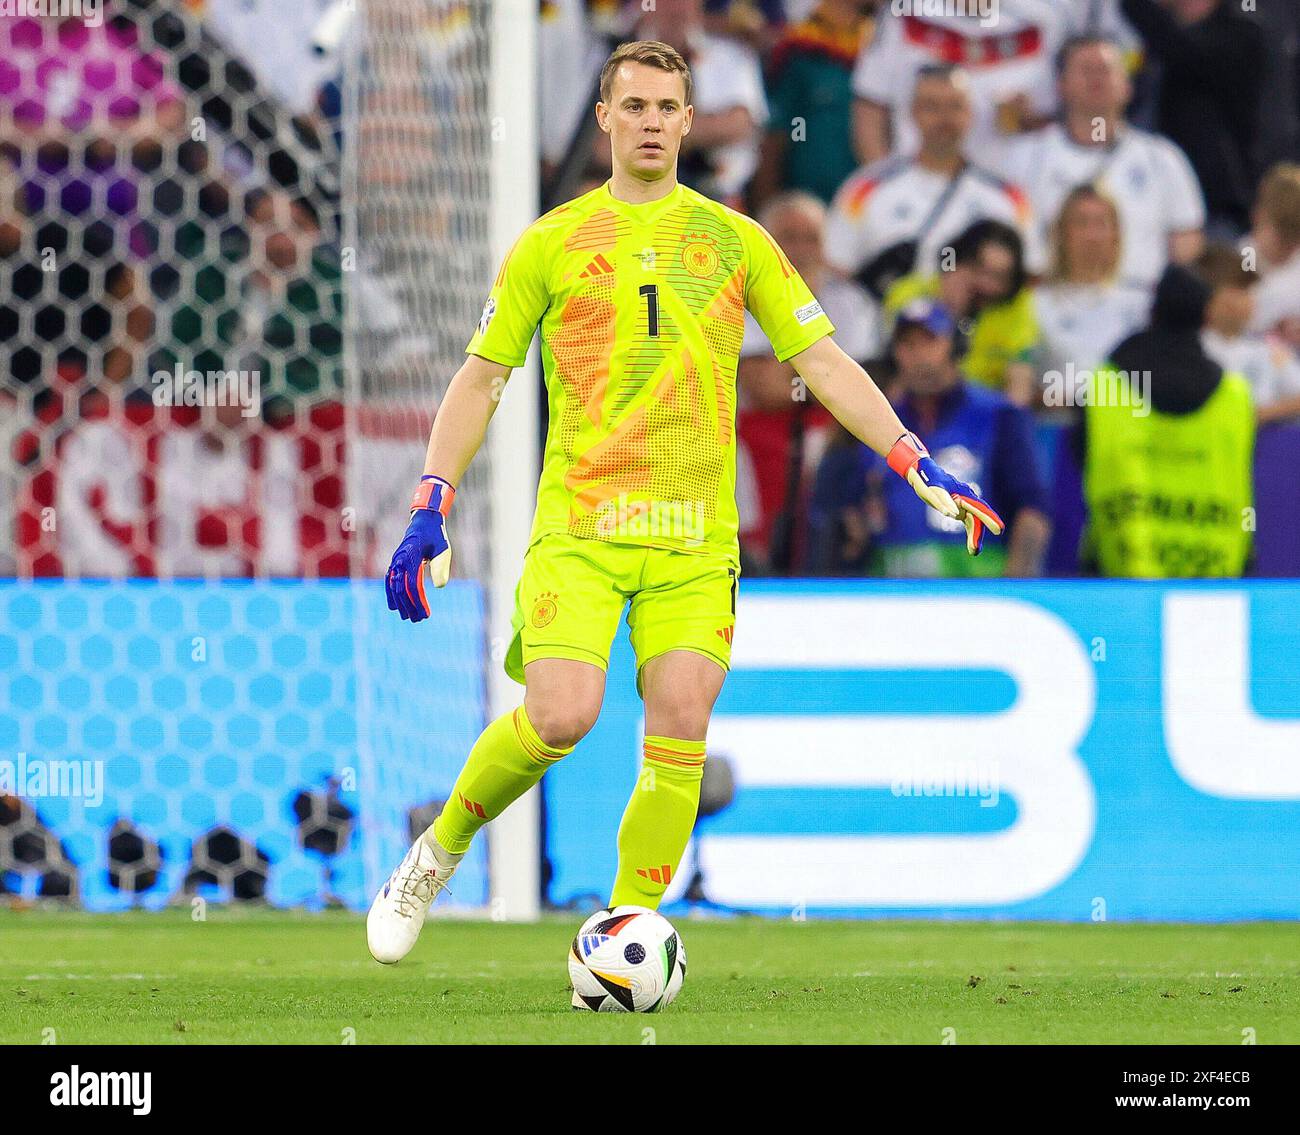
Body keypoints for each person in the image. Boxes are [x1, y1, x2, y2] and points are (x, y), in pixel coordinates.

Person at [365, 40, 1003, 966]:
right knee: (560, 716)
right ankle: (436, 854)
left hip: (694, 537)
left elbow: (820, 360)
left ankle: (621, 936)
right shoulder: (552, 240)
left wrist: (914, 460)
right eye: (636, 106)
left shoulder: (737, 240)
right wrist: (433, 497)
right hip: (581, 527)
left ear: (690, 120)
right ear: (606, 118)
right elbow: (481, 378)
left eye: (669, 107)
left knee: (682, 714)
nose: (653, 122)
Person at [811, 300, 1050, 579]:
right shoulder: (876, 420)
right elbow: (842, 512)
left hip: (979, 594)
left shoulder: (1000, 416)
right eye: (908, 345)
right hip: (891, 595)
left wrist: (1015, 588)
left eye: (930, 342)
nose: (918, 355)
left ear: (955, 347)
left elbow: (1032, 509)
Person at [735, 191, 879, 572]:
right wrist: (828, 373)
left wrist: (795, 372)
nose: (799, 249)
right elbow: (765, 388)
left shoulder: (851, 301)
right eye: (788, 237)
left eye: (810, 238)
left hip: (835, 432)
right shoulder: (740, 297)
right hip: (754, 439)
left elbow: (868, 388)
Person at [1081, 265, 1254, 578]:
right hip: (1215, 576)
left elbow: (1080, 453)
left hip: (1122, 570)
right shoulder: (1235, 394)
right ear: (1207, 315)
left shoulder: (1107, 382)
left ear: (1153, 310)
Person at [998, 35, 1206, 290]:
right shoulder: (1023, 157)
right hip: (1049, 302)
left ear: (1127, 86)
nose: (1096, 78)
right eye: (1085, 70)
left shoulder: (1162, 159)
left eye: (1105, 70)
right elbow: (1005, 238)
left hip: (1138, 305)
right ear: (1061, 85)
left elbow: (1186, 242)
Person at [826, 64, 1042, 300]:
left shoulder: (1008, 198)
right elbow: (837, 270)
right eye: (932, 106)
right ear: (912, 112)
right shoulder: (865, 189)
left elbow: (1032, 275)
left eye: (955, 106)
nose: (944, 118)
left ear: (970, 112)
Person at [1118, 0, 1267, 235]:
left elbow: (1186, 53)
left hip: (1216, 207)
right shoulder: (1153, 43)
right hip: (1146, 201)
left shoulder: (1241, 33)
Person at [884, 219, 1039, 405]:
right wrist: (949, 307)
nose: (986, 284)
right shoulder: (909, 292)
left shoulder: (1015, 307)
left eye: (999, 277)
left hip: (983, 412)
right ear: (958, 261)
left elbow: (1019, 379)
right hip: (919, 401)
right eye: (979, 269)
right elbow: (907, 361)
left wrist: (1009, 421)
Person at [750, 0, 877, 209]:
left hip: (866, 205)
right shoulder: (800, 51)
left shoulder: (885, 49)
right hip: (807, 204)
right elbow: (777, 138)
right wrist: (767, 210)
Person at [1033, 184, 1151, 407]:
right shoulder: (1036, 303)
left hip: (1125, 425)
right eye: (1081, 223)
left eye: (1101, 224)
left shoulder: (1142, 303)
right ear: (1061, 232)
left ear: (1116, 234)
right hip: (1058, 426)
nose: (1092, 236)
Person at [1195, 243, 1300, 426]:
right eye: (1241, 290)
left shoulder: (1269, 350)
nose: (1250, 299)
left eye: (1249, 290)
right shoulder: (1191, 348)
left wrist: (1262, 414)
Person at [1247, 164, 1300, 351]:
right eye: (1279, 235)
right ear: (1258, 216)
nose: (1285, 246)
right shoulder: (1247, 256)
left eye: (1292, 238)